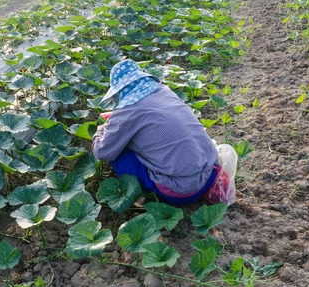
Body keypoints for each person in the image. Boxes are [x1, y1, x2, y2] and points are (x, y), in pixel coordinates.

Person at [91, 59, 236, 206]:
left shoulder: (127, 112)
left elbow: (103, 152)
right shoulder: (164, 91)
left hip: (180, 191)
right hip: (209, 175)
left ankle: (145, 196)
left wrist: (101, 130)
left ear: (118, 91)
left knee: (118, 152)